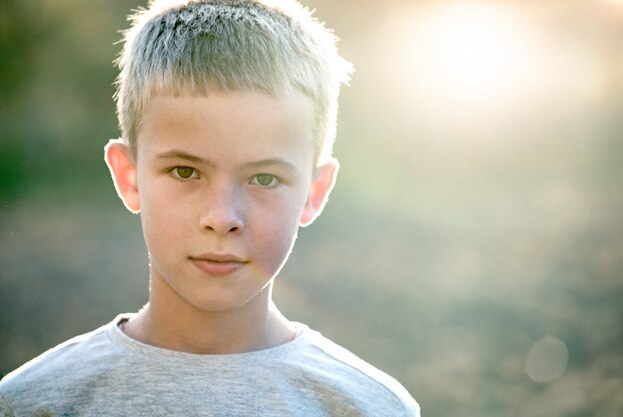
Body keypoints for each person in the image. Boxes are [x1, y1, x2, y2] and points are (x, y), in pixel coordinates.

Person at [0, 1, 420, 415]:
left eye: (265, 179)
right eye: (185, 172)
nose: (221, 218)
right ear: (129, 177)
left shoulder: (369, 407)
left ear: (315, 191)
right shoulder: (33, 403)